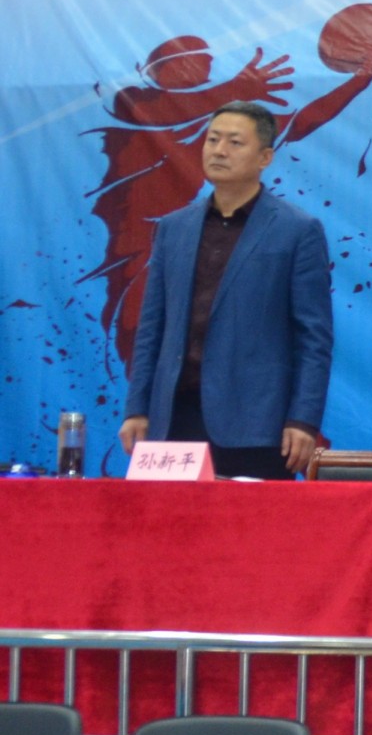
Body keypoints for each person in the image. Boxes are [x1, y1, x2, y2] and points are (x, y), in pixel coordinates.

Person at [119, 100, 334, 480]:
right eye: (213, 139)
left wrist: (303, 419)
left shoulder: (297, 231)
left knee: (252, 519)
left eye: (235, 142)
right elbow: (152, 327)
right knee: (169, 518)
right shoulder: (173, 228)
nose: (219, 150)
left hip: (256, 423)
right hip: (175, 418)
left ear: (265, 157)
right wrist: (138, 408)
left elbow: (313, 337)